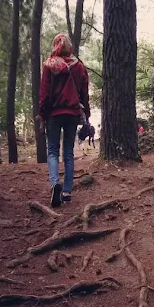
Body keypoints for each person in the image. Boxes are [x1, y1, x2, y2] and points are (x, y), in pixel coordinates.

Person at [38, 33, 90, 208]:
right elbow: (84, 93)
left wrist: (42, 114)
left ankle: (55, 185)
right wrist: (86, 113)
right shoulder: (79, 67)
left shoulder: (49, 65)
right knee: (68, 151)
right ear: (69, 47)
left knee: (52, 150)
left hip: (54, 114)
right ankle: (67, 191)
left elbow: (44, 93)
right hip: (73, 113)